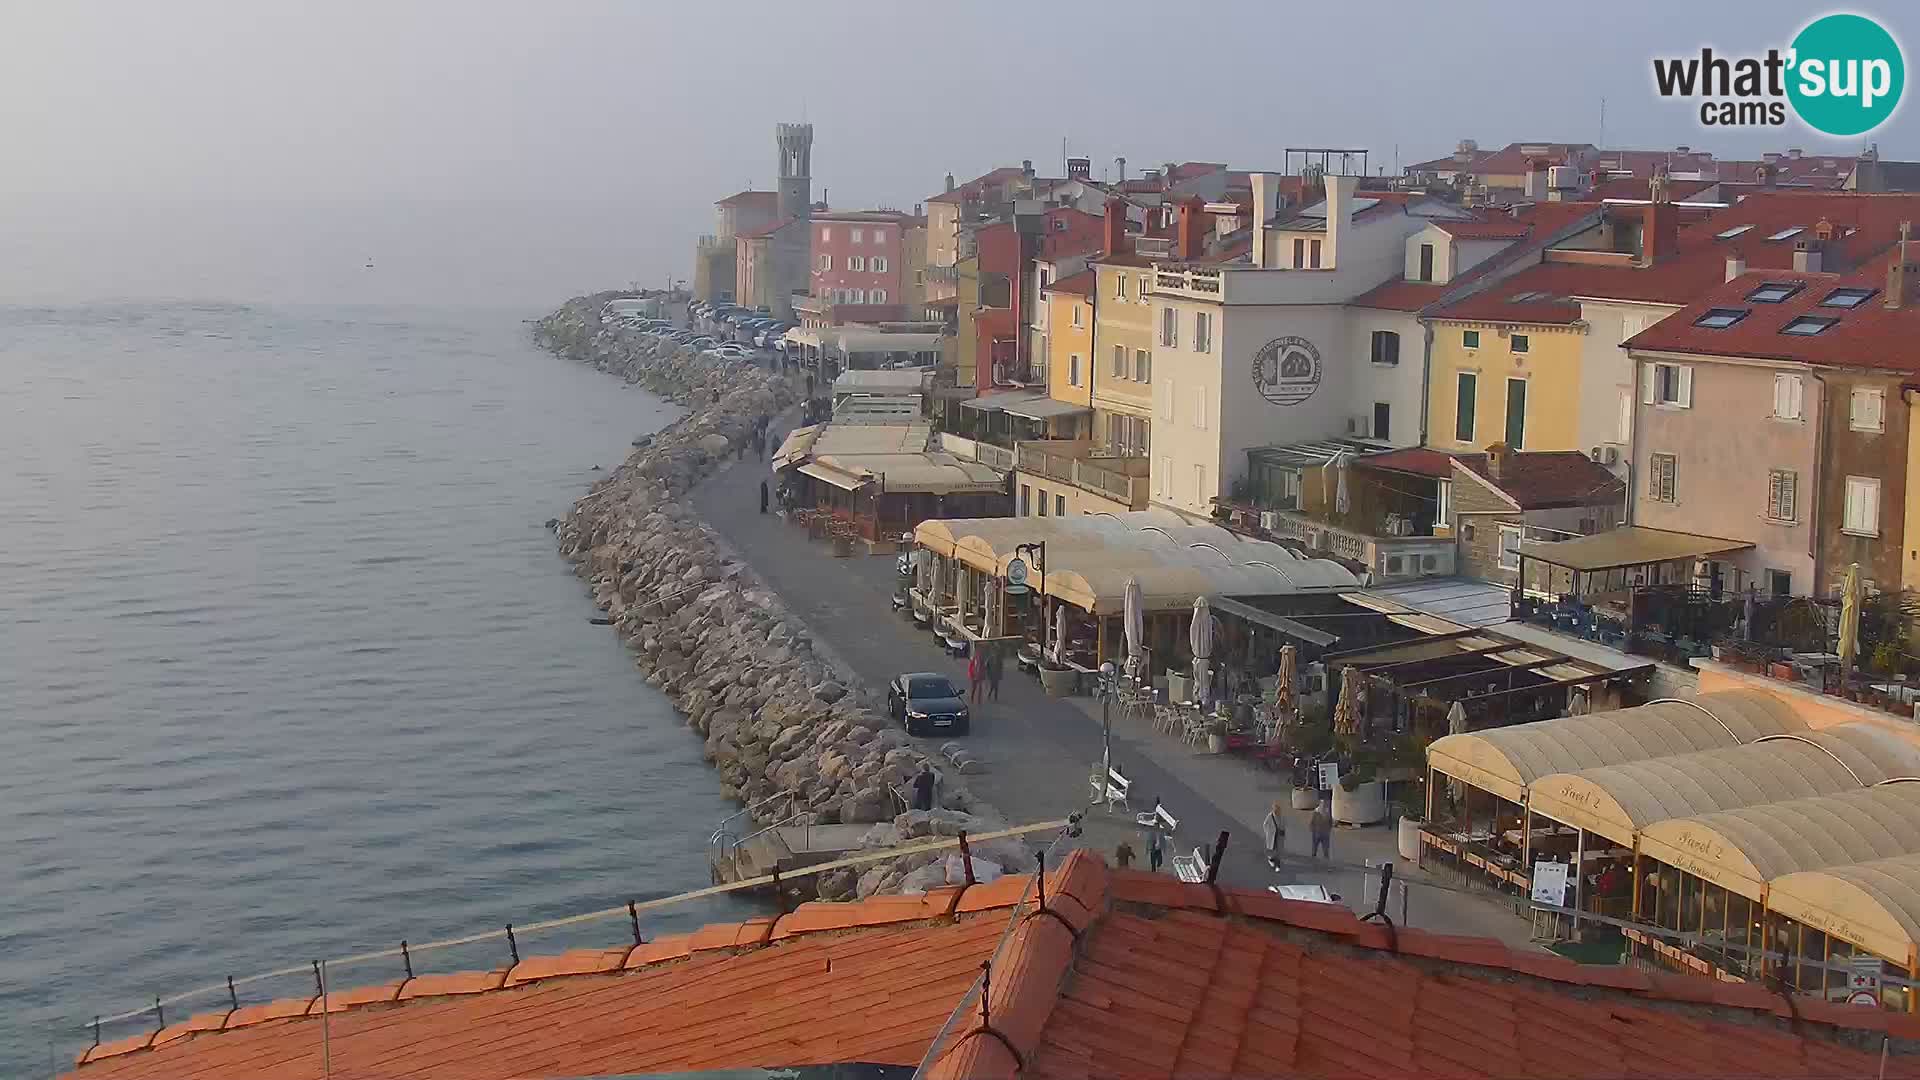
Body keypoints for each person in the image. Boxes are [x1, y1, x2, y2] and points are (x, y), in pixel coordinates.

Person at [1262, 800, 1286, 870]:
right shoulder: (1270, 816)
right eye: (1276, 809)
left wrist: (1283, 833)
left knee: (1278, 850)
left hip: (1279, 836)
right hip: (1272, 836)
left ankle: (1278, 865)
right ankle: (1271, 860)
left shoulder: (1282, 816)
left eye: (1278, 809)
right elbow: (1265, 825)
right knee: (1272, 849)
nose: (1277, 810)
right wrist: (1268, 832)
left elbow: (1283, 825)